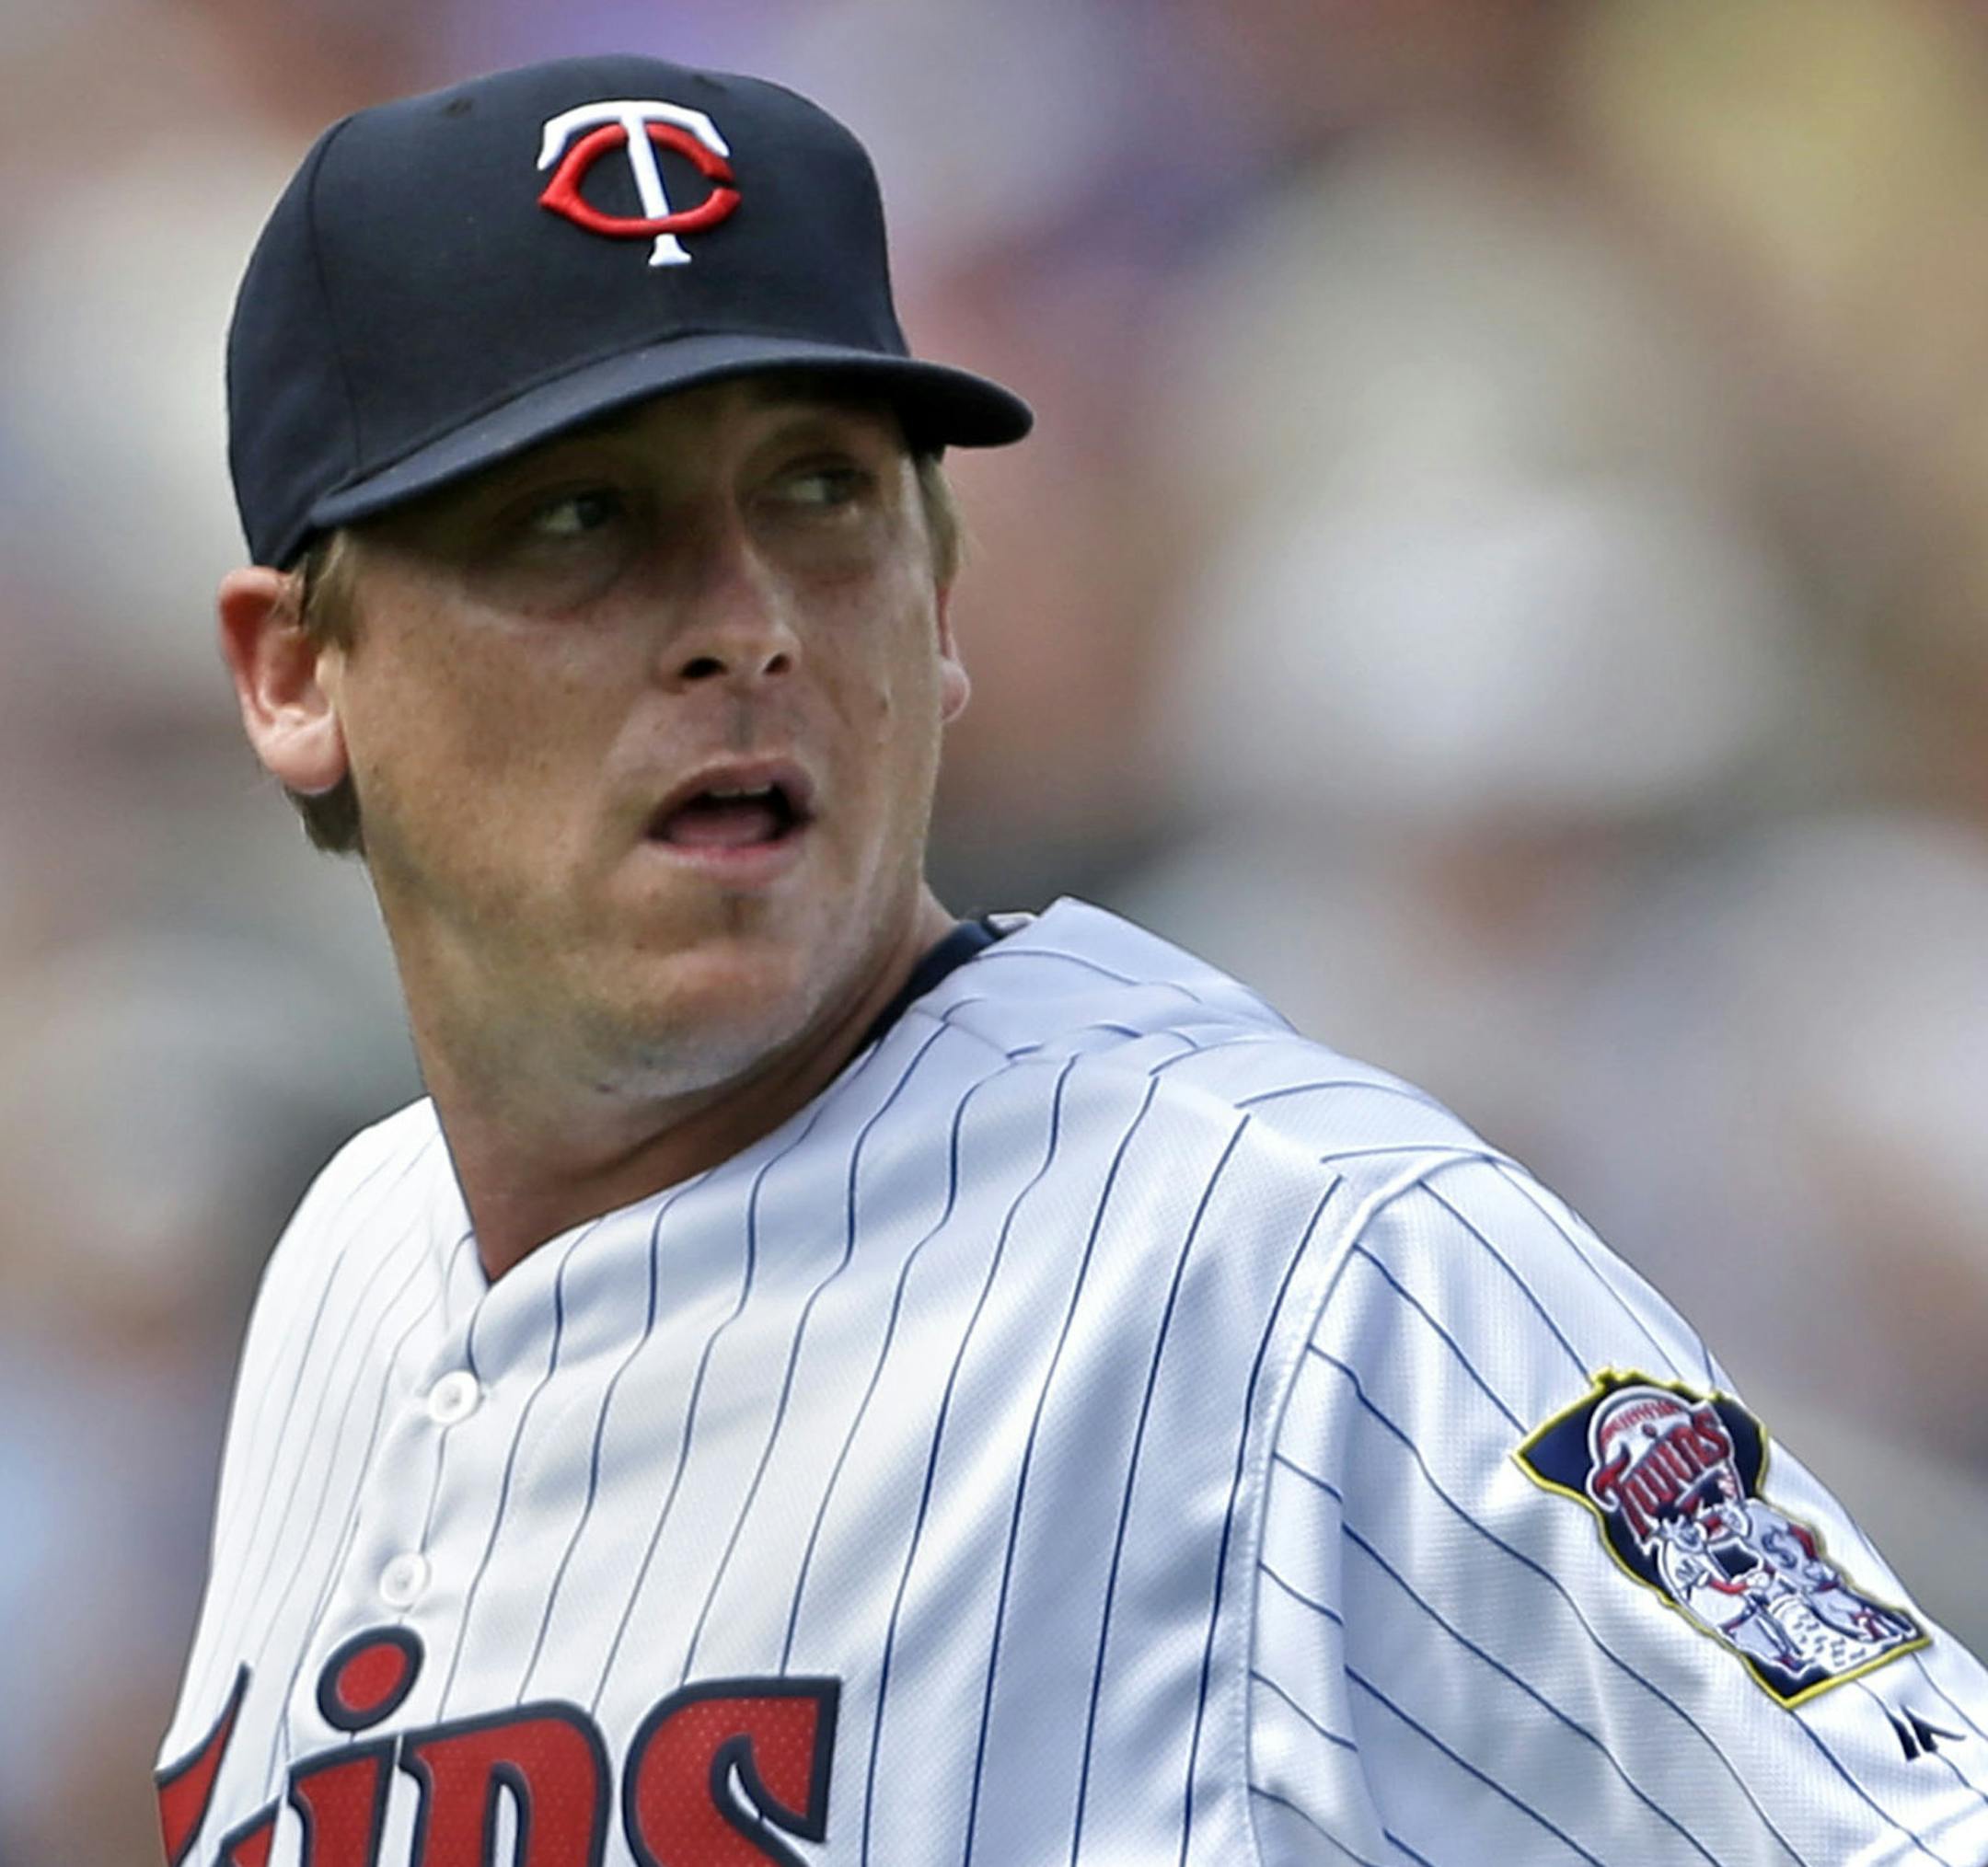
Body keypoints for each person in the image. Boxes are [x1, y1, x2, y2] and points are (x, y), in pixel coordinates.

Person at [156, 53, 1988, 1867]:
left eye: (818, 498)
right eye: (581, 521)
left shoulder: (1314, 1261)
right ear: (296, 673)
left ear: (940, 605)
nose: (748, 626)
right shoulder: (346, 1263)